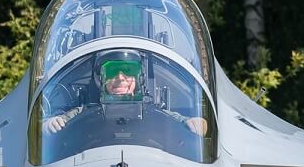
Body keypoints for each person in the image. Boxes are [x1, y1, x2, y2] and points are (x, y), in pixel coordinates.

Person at [41, 51, 208, 136]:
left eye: (128, 71)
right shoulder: (83, 111)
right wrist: (49, 124)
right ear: (101, 79)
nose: (120, 78)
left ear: (138, 78)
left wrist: (194, 122)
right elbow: (50, 125)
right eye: (113, 72)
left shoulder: (155, 110)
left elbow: (183, 121)